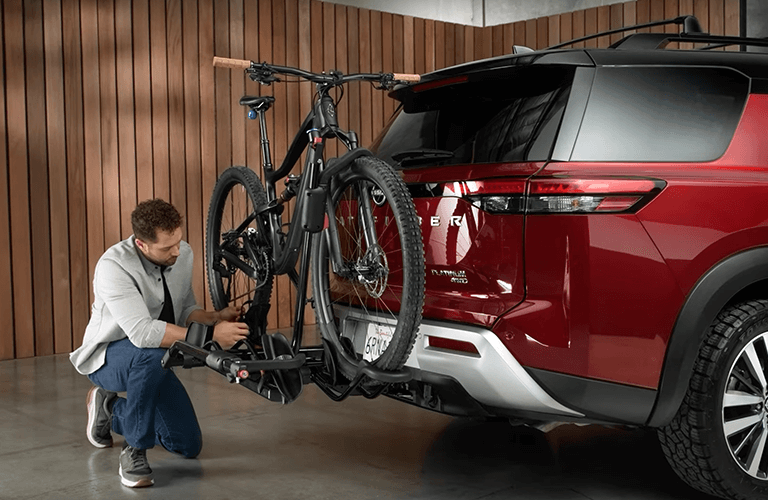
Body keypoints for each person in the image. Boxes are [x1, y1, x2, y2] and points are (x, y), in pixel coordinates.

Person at [70, 199, 249, 488]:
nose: (177, 251)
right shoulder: (113, 267)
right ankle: (134, 451)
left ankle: (109, 407)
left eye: (178, 241)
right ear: (141, 244)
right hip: (109, 357)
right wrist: (212, 337)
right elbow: (142, 333)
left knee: (187, 445)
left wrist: (216, 317)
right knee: (150, 354)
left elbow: (185, 310)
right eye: (167, 248)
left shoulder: (182, 253)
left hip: (155, 360)